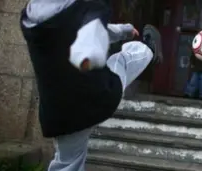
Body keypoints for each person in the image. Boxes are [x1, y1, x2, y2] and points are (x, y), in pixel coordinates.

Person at [19, 0, 162, 170]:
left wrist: (123, 31)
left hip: (57, 112)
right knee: (122, 60)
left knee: (67, 162)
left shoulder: (30, 17)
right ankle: (150, 51)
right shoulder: (89, 6)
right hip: (95, 97)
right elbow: (90, 32)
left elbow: (82, 27)